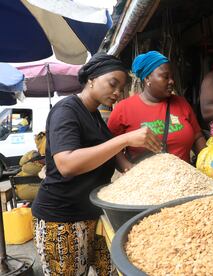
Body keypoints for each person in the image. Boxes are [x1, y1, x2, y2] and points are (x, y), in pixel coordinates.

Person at [31, 53, 162, 276]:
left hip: (94, 215)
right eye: (113, 83)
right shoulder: (66, 110)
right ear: (91, 78)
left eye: (121, 88)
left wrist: (145, 173)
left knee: (111, 270)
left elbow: (112, 154)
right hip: (62, 220)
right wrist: (126, 138)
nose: (117, 92)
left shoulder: (95, 117)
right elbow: (66, 164)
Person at [107, 51, 206, 163]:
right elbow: (111, 148)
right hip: (146, 178)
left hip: (183, 177)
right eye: (165, 77)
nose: (172, 81)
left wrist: (207, 162)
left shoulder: (181, 103)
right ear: (147, 78)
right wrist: (128, 167)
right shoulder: (123, 109)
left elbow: (197, 137)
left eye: (172, 77)